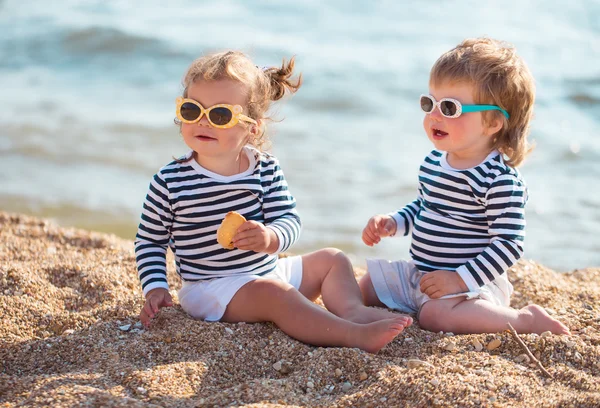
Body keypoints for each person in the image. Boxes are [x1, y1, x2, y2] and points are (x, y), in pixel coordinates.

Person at [134, 50, 412, 353]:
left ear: (252, 127)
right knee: (276, 295)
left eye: (220, 115)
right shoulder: (171, 181)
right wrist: (156, 287)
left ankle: (352, 311)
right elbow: (150, 240)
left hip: (266, 271)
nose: (203, 122)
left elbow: (290, 221)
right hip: (211, 288)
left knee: (333, 259)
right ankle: (351, 335)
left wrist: (271, 237)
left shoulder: (264, 168)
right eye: (191, 110)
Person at [358, 38, 569, 335]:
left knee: (435, 317)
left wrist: (459, 279)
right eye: (429, 103)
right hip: (423, 274)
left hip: (472, 286)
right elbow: (424, 206)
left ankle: (524, 320)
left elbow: (509, 244)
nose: (434, 114)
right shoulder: (434, 160)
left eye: (449, 107)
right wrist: (394, 222)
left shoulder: (498, 180)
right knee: (366, 286)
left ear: (493, 122)